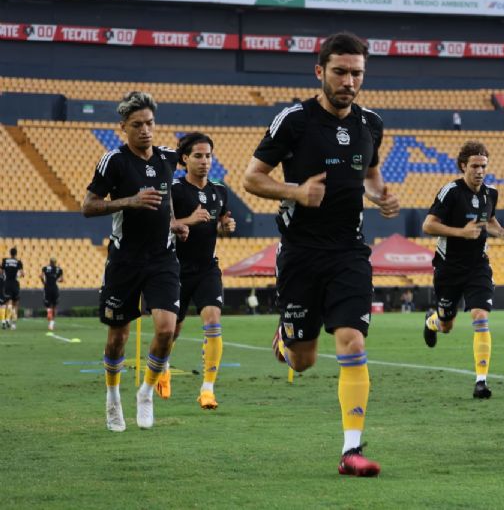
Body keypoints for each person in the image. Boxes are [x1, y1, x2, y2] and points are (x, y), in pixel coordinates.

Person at [243, 31, 399, 477]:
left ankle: (351, 451)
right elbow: (252, 178)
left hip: (349, 252)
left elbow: (370, 175)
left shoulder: (372, 123)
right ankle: (285, 340)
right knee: (304, 359)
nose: (349, 81)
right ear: (320, 72)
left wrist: (380, 196)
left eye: (357, 73)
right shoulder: (293, 120)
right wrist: (295, 191)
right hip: (300, 253)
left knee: (353, 340)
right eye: (341, 72)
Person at [82, 91, 188, 432]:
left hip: (162, 258)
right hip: (125, 260)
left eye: (150, 123)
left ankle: (145, 392)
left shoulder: (168, 159)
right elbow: (88, 206)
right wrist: (130, 200)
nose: (146, 130)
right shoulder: (113, 162)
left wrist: (175, 224)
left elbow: (171, 198)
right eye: (137, 125)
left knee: (167, 329)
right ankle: (113, 397)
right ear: (123, 128)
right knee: (118, 339)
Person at [421, 141, 504, 399]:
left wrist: (501, 233)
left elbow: (489, 220)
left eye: (483, 166)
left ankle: (481, 382)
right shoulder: (450, 192)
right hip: (448, 268)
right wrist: (460, 233)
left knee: (480, 317)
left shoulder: (490, 193)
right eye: (474, 166)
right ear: (463, 166)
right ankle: (432, 322)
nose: (479, 171)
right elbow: (428, 225)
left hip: (478, 266)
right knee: (446, 324)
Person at [153, 132, 236, 410]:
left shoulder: (219, 190)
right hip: (174, 270)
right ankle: (162, 366)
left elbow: (223, 216)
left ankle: (207, 389)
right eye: (198, 156)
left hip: (207, 270)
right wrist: (189, 219)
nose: (204, 161)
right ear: (184, 158)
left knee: (213, 322)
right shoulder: (174, 190)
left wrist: (226, 225)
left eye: (208, 155)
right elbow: (160, 224)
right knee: (170, 333)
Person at [1, 247, 24, 330]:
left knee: (8, 302)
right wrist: (18, 275)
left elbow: (1, 272)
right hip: (15, 284)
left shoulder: (5, 261)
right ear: (16, 253)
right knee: (16, 304)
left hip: (7, 284)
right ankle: (13, 324)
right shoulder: (18, 262)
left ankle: (7, 319)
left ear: (10, 253)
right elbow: (22, 274)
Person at [40, 257, 64, 331]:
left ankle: (48, 311)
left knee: (48, 304)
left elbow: (41, 276)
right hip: (54, 288)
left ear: (50, 262)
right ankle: (52, 323)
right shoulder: (59, 270)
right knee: (55, 305)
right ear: (55, 262)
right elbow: (62, 279)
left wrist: (44, 283)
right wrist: (56, 279)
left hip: (47, 288)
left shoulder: (45, 268)